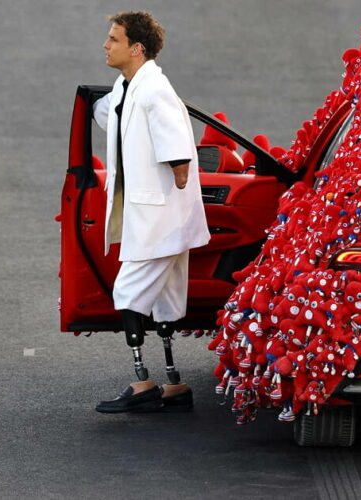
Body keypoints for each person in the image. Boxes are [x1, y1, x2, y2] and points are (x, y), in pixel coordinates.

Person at [92, 11, 211, 413]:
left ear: (136, 48)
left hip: (158, 219)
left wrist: (178, 179)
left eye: (113, 39)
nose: (106, 45)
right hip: (158, 217)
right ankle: (175, 386)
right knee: (166, 300)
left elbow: (177, 147)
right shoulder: (128, 86)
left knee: (128, 293)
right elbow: (112, 114)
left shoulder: (154, 89)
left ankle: (143, 383)